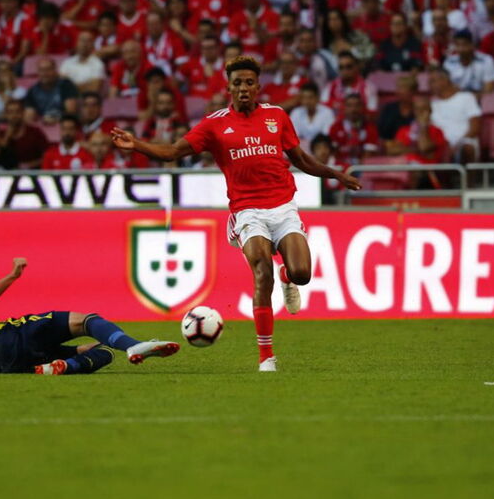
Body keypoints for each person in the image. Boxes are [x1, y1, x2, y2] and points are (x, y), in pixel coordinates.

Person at [110, 56, 361, 371]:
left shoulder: (277, 117)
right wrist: (137, 145)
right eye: (237, 83)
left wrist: (335, 174)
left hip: (283, 207)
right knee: (261, 272)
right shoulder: (214, 124)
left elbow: (301, 159)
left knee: (302, 274)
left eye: (249, 83)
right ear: (228, 88)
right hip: (247, 211)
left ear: (257, 87)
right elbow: (173, 152)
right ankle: (266, 357)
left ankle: (288, 277)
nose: (243, 88)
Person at [0, 256, 179, 374]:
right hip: (9, 340)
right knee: (87, 321)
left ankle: (61, 367)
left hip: (6, 365)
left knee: (102, 349)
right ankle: (135, 346)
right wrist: (12, 276)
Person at [429, 66, 481, 163]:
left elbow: (475, 128)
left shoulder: (466, 98)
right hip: (442, 145)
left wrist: (457, 145)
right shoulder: (432, 104)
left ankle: (468, 178)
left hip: (464, 142)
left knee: (467, 148)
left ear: (445, 81)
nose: (429, 85)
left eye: (432, 81)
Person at [443, 30, 494, 95]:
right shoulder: (449, 62)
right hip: (457, 100)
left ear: (472, 45)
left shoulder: (486, 60)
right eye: (458, 45)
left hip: (481, 100)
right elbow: (445, 88)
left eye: (464, 44)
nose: (461, 49)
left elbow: (489, 89)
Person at [25, 58, 79, 124]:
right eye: (41, 70)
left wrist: (56, 119)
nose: (45, 73)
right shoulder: (32, 90)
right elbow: (29, 116)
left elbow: (71, 111)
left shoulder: (66, 85)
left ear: (54, 70)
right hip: (44, 125)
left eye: (48, 69)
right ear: (38, 72)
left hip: (64, 125)